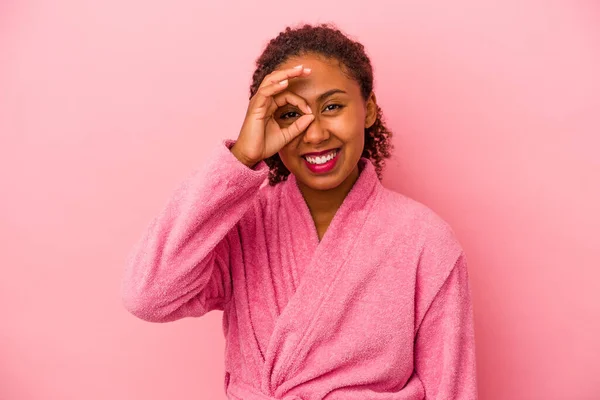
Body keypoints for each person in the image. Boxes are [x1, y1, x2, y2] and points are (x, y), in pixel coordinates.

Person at [121, 23, 478, 400]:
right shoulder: (242, 224)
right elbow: (147, 296)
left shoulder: (425, 240)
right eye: (291, 115)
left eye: (332, 107)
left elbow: (451, 388)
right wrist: (242, 157)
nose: (314, 134)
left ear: (369, 109)